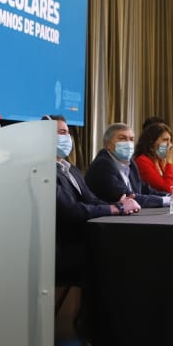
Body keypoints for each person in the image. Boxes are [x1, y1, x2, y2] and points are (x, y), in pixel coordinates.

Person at [53, 116, 143, 282]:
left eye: (67, 133)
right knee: (118, 253)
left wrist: (118, 205)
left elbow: (92, 200)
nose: (67, 137)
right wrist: (116, 208)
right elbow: (71, 210)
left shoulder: (71, 169)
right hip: (63, 245)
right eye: (61, 132)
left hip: (81, 236)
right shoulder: (46, 172)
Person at [85, 122, 173, 208]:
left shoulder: (130, 162)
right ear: (108, 144)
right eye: (122, 138)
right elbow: (129, 198)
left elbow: (145, 189)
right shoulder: (103, 165)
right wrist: (170, 200)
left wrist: (171, 196)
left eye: (131, 139)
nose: (128, 143)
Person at [133, 121, 173, 195]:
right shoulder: (142, 161)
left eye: (170, 140)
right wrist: (169, 161)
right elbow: (168, 189)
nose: (170, 145)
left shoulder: (159, 161)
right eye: (165, 140)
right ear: (151, 142)